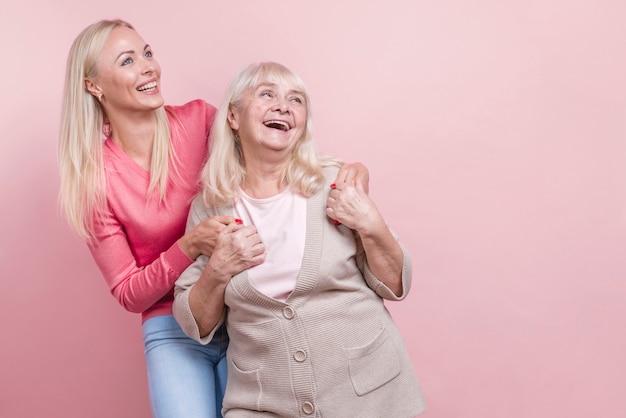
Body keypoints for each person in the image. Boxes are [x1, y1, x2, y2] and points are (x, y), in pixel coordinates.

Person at [58, 20, 370, 418]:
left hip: (248, 313)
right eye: (128, 60)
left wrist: (348, 168)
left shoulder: (200, 121)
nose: (149, 67)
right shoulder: (95, 182)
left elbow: (276, 157)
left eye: (148, 53)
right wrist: (189, 246)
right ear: (94, 86)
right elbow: (128, 292)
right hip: (173, 329)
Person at [173, 61, 426, 417]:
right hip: (262, 404)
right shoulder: (210, 207)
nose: (283, 107)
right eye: (267, 95)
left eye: (296, 100)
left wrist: (372, 224)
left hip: (369, 396)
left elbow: (396, 284)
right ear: (233, 115)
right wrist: (218, 270)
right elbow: (194, 323)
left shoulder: (333, 182)